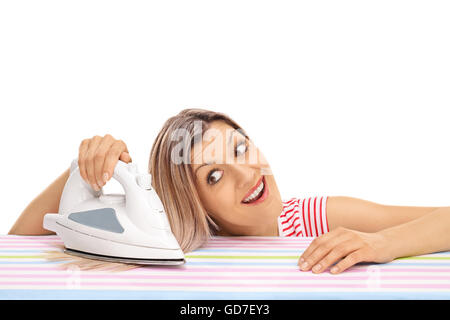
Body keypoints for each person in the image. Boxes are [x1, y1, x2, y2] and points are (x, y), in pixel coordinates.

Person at [9, 108, 450, 274]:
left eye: (241, 148)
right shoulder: (180, 239)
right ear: (191, 201)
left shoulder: (318, 217)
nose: (247, 174)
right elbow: (19, 242)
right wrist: (82, 172)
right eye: (214, 176)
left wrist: (380, 242)